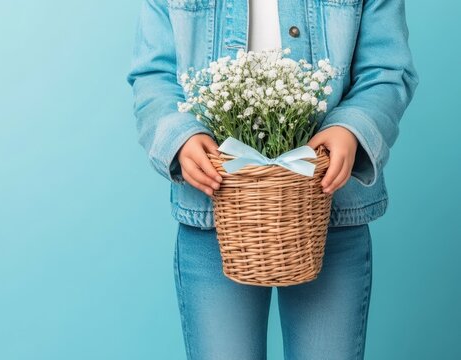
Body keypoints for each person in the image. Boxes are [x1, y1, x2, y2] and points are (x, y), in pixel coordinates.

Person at [126, 0, 418, 359]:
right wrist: (179, 136)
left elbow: (388, 70)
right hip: (212, 215)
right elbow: (153, 75)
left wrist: (352, 128)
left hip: (330, 213)